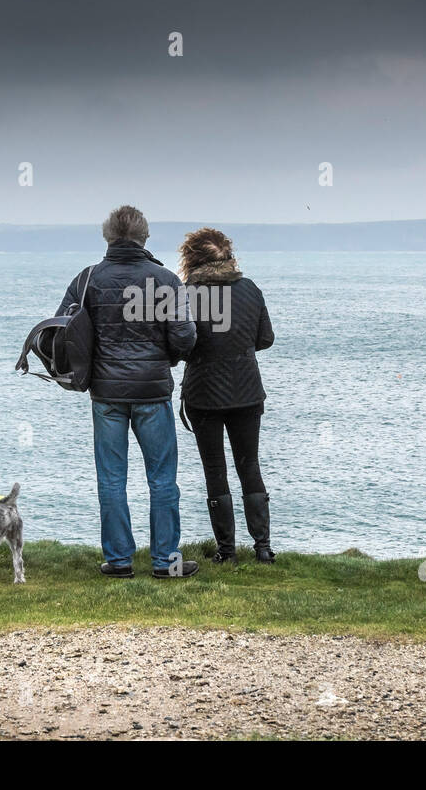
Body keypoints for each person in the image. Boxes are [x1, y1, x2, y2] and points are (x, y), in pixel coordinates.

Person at [57, 205, 198, 579]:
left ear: (107, 237)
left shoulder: (86, 280)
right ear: (145, 237)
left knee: (111, 478)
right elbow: (184, 336)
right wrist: (166, 358)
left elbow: (64, 333)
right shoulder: (166, 280)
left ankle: (119, 560)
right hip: (152, 391)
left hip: (106, 394)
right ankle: (166, 561)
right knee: (163, 478)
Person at [177, 227, 276, 563]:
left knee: (215, 469)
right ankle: (263, 548)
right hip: (248, 390)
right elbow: (265, 339)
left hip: (203, 393)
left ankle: (227, 552)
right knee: (250, 464)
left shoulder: (187, 294)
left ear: (190, 259)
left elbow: (179, 345)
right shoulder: (250, 289)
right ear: (229, 256)